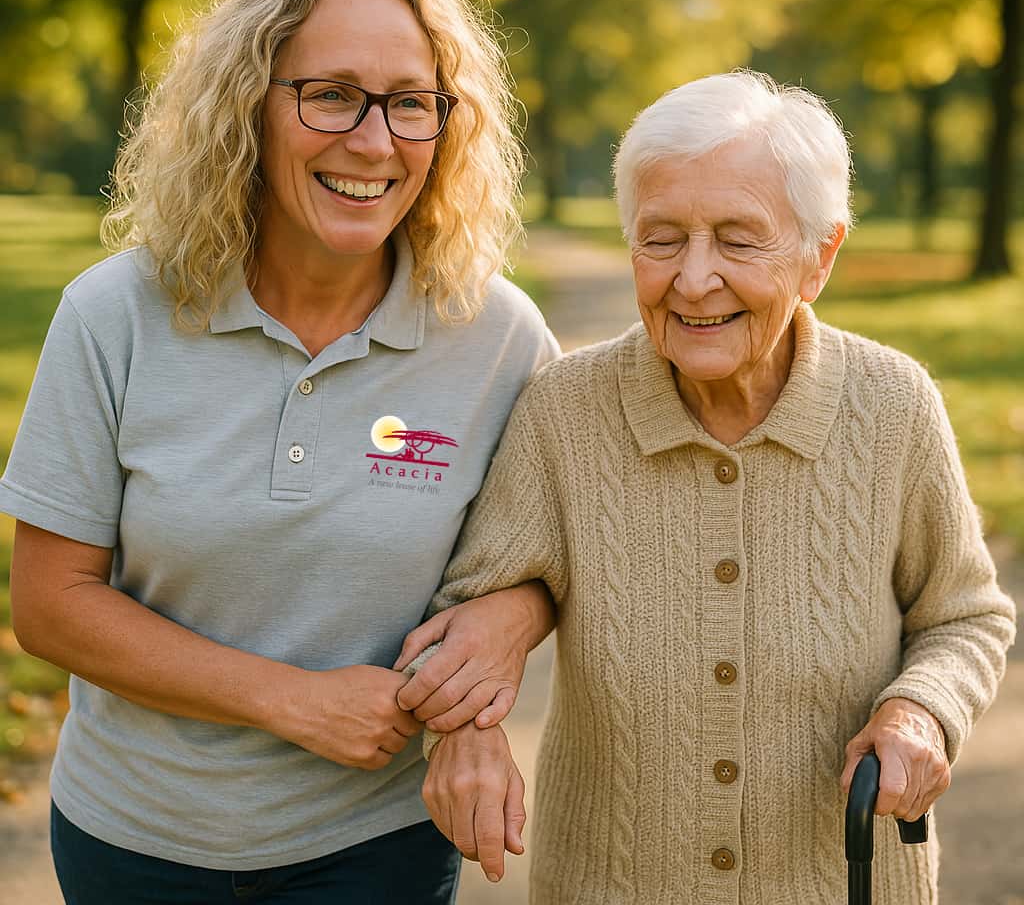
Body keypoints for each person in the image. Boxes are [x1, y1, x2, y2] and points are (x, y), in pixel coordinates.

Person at [0, 0, 559, 904]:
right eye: (331, 93)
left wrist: (501, 641)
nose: (374, 140)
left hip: (375, 848)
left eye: (410, 103)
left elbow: (558, 546)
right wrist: (293, 701)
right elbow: (51, 605)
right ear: (246, 108)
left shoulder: (496, 336)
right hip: (135, 842)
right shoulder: (115, 314)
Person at [397, 71, 1018, 902]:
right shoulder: (565, 411)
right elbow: (472, 605)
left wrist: (920, 710)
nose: (693, 279)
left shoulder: (892, 404)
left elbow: (965, 614)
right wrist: (463, 731)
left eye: (737, 239)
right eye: (662, 239)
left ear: (818, 257)